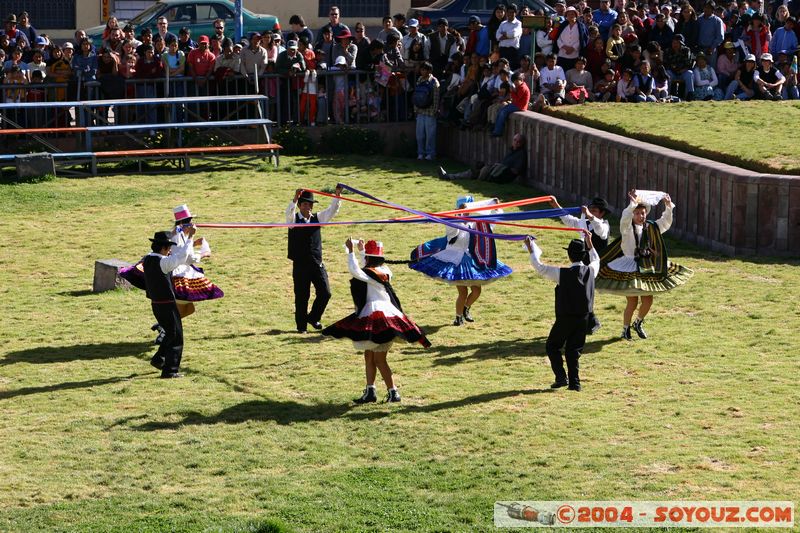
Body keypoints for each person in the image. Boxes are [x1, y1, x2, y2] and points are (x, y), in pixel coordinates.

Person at [322, 238, 431, 404]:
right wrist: (362, 251)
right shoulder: (384, 270)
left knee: (379, 359)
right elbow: (366, 268)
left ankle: (393, 392)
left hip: (379, 317)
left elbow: (356, 271)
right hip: (386, 314)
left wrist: (351, 252)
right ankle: (370, 391)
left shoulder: (374, 273)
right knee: (369, 356)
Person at [595, 189, 693, 340]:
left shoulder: (651, 227)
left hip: (646, 265)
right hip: (628, 265)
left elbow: (665, 223)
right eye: (637, 213)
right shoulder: (627, 229)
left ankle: (638, 322)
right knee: (632, 301)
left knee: (648, 300)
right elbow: (624, 220)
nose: (641, 216)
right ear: (633, 214)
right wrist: (631, 205)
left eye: (643, 213)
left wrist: (668, 206)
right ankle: (625, 329)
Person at [409, 196, 513, 326]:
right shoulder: (452, 221)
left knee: (477, 291)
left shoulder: (475, 223)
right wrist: (457, 215)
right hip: (454, 260)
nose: (467, 211)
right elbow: (453, 231)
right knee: (462, 291)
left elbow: (492, 223)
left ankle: (466, 308)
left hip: (472, 259)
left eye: (469, 209)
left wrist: (497, 207)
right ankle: (458, 317)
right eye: (465, 208)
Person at [525, 230, 599, 391]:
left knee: (552, 346)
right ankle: (575, 384)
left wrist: (531, 250)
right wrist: (590, 243)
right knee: (574, 351)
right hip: (584, 318)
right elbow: (596, 259)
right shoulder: (592, 271)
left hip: (565, 318)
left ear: (569, 256)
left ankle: (561, 377)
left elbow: (540, 267)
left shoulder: (561, 274)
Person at [286, 186, 343, 333]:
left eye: (310, 204)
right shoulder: (293, 221)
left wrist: (337, 195)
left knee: (325, 293)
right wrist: (295, 198)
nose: (309, 207)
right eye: (305, 204)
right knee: (302, 296)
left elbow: (332, 211)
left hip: (317, 263)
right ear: (300, 206)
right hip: (300, 265)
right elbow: (289, 212)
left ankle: (313, 317)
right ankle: (301, 327)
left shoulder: (318, 218)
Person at [142, 230, 196, 378]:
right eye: (169, 247)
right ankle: (170, 371)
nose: (170, 250)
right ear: (163, 248)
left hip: (156, 305)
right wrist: (190, 237)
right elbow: (182, 256)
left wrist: (173, 233)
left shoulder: (147, 258)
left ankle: (159, 359)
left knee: (170, 334)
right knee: (176, 337)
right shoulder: (164, 262)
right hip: (167, 305)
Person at [438, 133, 527, 183]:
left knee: (477, 171)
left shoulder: (520, 154)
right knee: (478, 165)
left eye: (517, 141)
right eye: (514, 140)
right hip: (497, 171)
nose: (515, 142)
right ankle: (449, 176)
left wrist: (501, 167)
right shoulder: (511, 151)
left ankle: (448, 176)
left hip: (501, 175)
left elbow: (516, 171)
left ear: (521, 143)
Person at [414, 61, 440, 161]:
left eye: (424, 69)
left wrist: (434, 111)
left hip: (430, 112)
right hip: (420, 111)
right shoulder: (419, 79)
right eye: (421, 69)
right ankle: (420, 153)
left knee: (430, 135)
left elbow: (436, 98)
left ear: (429, 71)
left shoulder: (434, 82)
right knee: (419, 134)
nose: (422, 71)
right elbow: (416, 95)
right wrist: (416, 109)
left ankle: (430, 154)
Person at [491, 71, 530, 136]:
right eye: (514, 81)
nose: (515, 83)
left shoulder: (523, 87)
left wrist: (512, 92)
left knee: (504, 112)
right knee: (501, 109)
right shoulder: (520, 86)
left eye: (516, 81)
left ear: (521, 80)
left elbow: (516, 98)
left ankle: (498, 131)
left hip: (520, 106)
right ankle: (495, 127)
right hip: (516, 104)